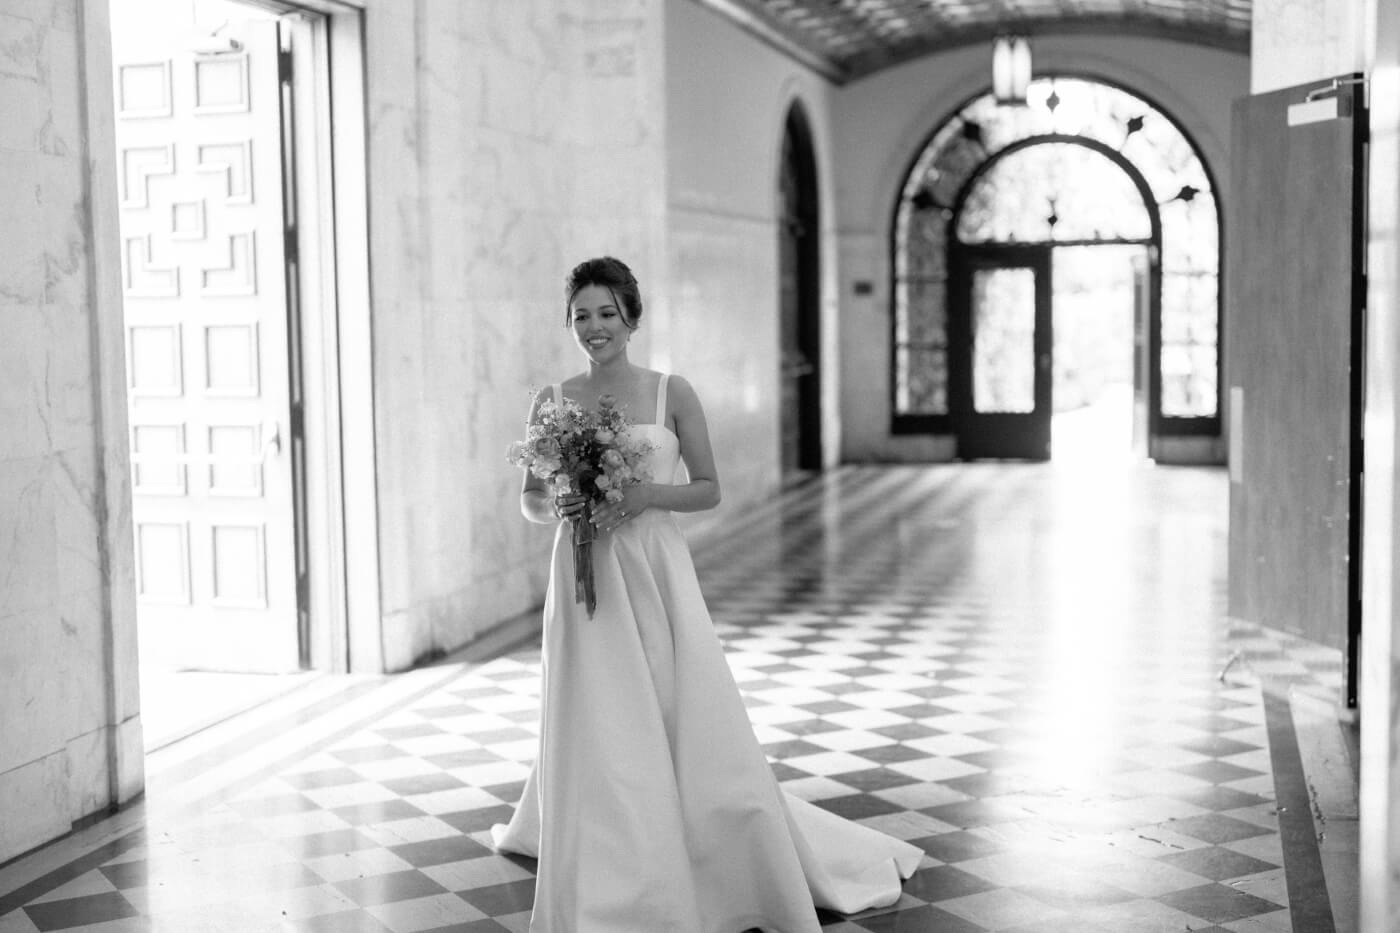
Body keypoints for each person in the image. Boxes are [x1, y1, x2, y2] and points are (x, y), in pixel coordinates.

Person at [493, 257, 920, 932]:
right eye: (581, 315)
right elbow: (530, 501)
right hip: (581, 581)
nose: (594, 327)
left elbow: (709, 486)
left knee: (668, 702)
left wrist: (644, 495)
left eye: (607, 313)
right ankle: (608, 855)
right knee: (594, 709)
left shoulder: (671, 392)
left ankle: (685, 843)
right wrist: (563, 501)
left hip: (655, 569)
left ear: (632, 316)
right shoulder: (552, 398)